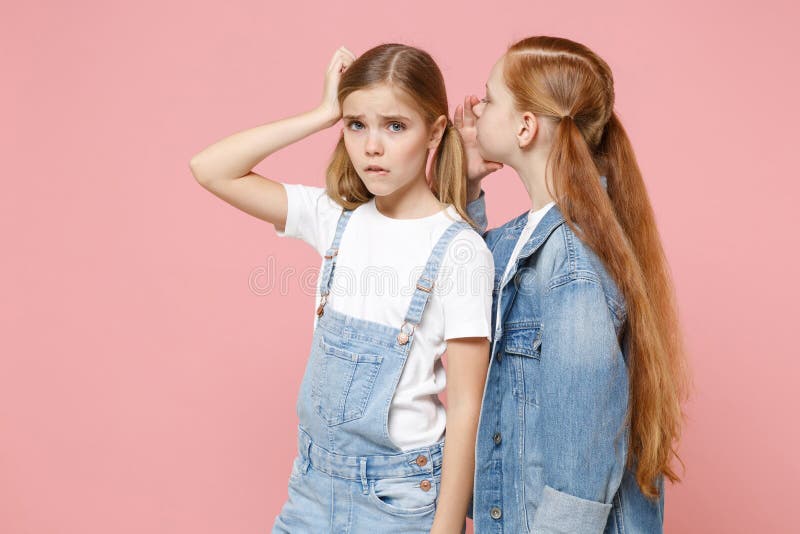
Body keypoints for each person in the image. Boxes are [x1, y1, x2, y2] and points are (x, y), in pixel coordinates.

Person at [190, 43, 494, 533]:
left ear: (436, 130)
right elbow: (211, 168)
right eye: (357, 125)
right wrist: (320, 113)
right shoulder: (335, 219)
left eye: (395, 126)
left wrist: (447, 530)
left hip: (400, 499)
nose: (372, 146)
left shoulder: (459, 251)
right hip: (312, 486)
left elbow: (465, 409)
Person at [456, 36, 689, 533]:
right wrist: (468, 182)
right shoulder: (527, 238)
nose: (476, 108)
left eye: (490, 97)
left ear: (525, 127)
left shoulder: (572, 261)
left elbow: (582, 469)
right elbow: (463, 290)